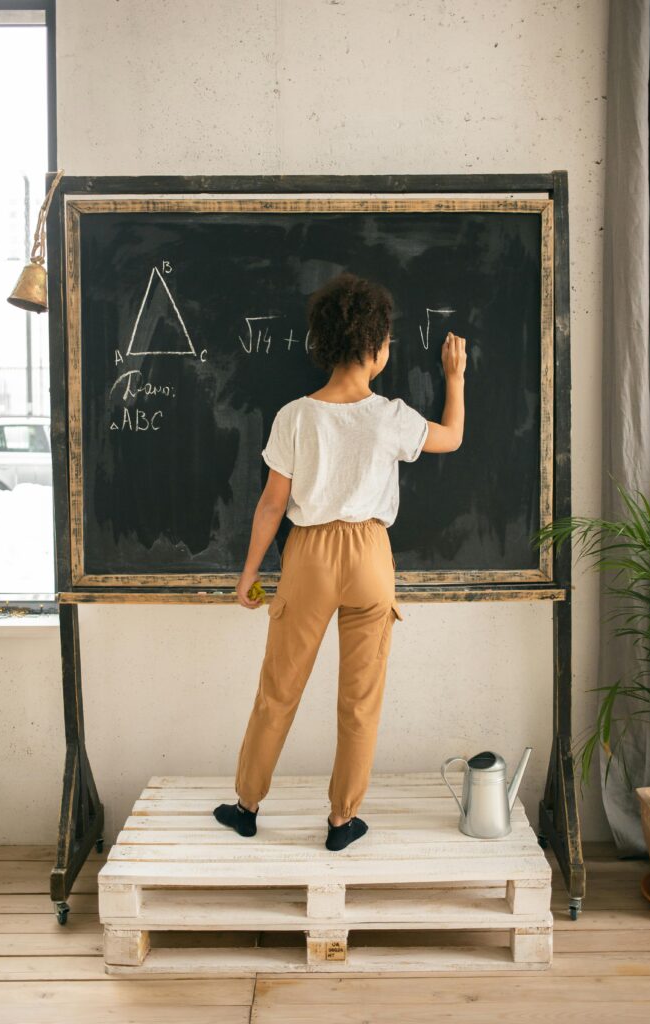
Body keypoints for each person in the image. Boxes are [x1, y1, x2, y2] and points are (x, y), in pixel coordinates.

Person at [214, 271, 466, 851]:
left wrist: (249, 574)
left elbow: (271, 504)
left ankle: (246, 806)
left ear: (324, 344)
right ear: (376, 347)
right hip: (371, 556)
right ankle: (341, 821)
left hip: (309, 556)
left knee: (279, 690)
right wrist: (454, 378)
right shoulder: (392, 415)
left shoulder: (295, 416)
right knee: (360, 700)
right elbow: (452, 437)